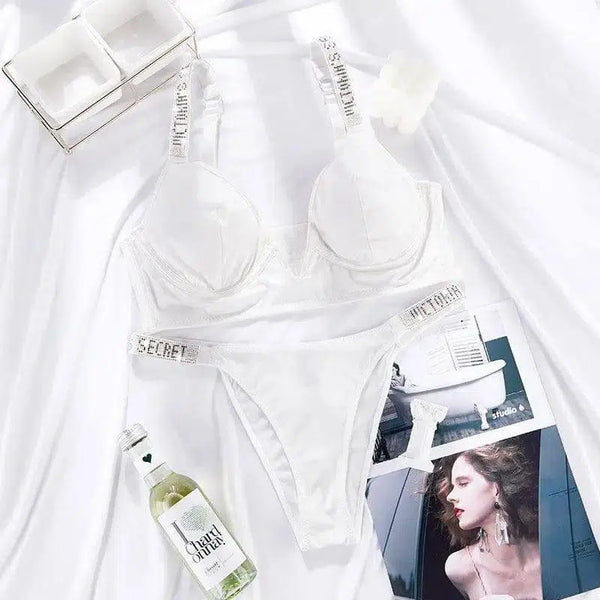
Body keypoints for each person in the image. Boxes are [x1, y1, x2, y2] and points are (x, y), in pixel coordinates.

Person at [431, 439, 542, 600]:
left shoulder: (556, 547)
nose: (450, 496)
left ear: (496, 487)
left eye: (463, 483)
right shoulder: (460, 569)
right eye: (452, 487)